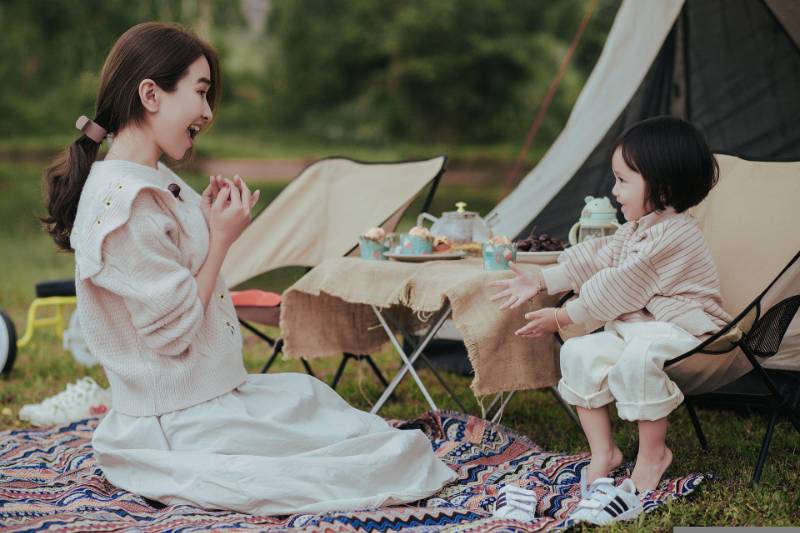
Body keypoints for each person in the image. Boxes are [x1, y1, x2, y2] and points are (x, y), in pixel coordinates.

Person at [42, 22, 455, 515]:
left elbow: (179, 262)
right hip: (175, 420)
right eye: (200, 92)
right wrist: (220, 239)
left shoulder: (148, 175)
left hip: (211, 393)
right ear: (151, 94)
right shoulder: (123, 207)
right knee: (369, 459)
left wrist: (209, 220)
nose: (208, 112)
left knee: (317, 404)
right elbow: (172, 333)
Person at [489, 116, 731, 525]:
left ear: (663, 188)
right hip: (640, 323)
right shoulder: (640, 226)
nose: (614, 191)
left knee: (640, 356)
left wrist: (565, 314)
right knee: (581, 351)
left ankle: (653, 455)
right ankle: (605, 452)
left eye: (622, 181)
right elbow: (598, 256)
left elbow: (622, 283)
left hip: (686, 326)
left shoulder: (675, 234)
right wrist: (543, 278)